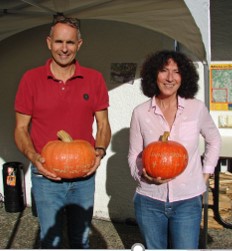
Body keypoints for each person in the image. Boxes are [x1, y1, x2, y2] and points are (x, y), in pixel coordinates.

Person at [14, 16, 111, 249]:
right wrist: (34, 158)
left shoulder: (94, 79)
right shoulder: (31, 79)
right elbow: (20, 128)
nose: (64, 49)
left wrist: (99, 151)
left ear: (79, 44)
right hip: (45, 174)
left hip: (84, 175)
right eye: (59, 42)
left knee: (81, 240)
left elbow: (104, 124)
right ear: (49, 43)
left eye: (70, 43)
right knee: (51, 241)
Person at [128, 50, 221, 249]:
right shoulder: (140, 113)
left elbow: (214, 139)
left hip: (187, 200)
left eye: (176, 71)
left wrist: (205, 175)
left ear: (183, 76)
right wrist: (144, 176)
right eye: (164, 71)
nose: (170, 78)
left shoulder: (196, 108)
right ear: (154, 75)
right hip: (149, 199)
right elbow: (134, 155)